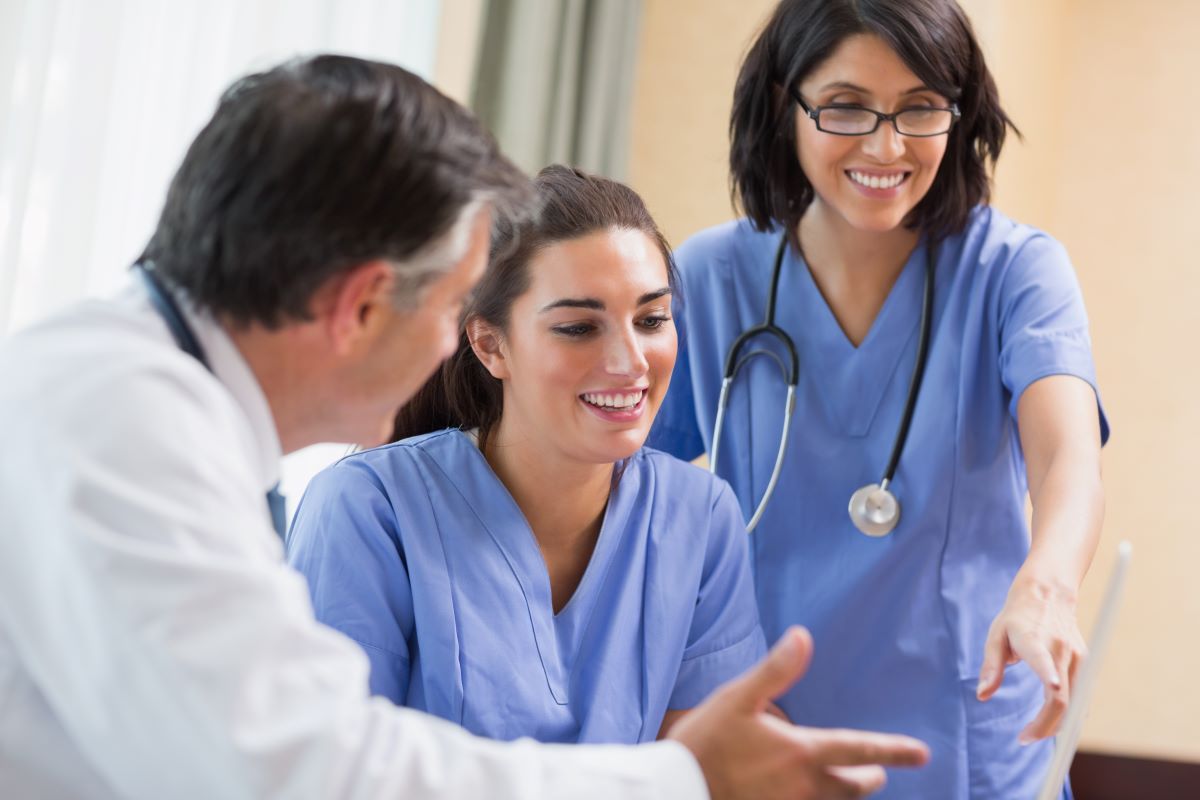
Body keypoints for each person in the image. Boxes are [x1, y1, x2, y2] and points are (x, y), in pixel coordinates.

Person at [0, 54, 928, 799]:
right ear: (362, 306)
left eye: (651, 316)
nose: (447, 347)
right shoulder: (129, 431)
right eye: (450, 311)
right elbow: (309, 771)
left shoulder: (137, 400)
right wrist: (676, 779)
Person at [647, 1, 1107, 797]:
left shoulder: (1014, 272)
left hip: (972, 743)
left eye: (920, 107)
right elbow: (616, 493)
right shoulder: (711, 277)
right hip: (775, 731)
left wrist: (1047, 587)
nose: (886, 145)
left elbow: (1066, 453)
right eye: (847, 105)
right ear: (784, 104)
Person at [287, 165, 766, 745]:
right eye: (578, 327)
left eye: (651, 319)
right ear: (491, 345)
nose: (632, 360)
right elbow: (333, 769)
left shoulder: (702, 514)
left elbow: (702, 768)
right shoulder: (367, 509)